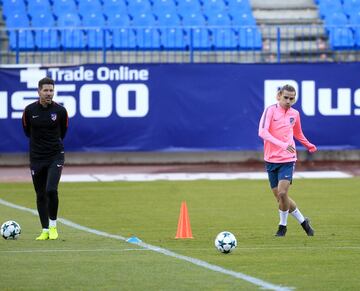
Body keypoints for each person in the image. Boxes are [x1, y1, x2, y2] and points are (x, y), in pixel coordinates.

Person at [258, 84, 316, 237]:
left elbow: (298, 133)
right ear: (279, 96)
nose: (288, 101)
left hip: (288, 159)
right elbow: (262, 132)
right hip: (271, 159)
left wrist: (308, 145)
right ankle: (304, 222)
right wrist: (282, 144)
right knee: (280, 198)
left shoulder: (295, 114)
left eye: (292, 98)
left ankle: (282, 226)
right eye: (286, 97)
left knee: (283, 193)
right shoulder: (270, 110)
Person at [22, 77, 68, 240]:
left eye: (51, 90)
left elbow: (63, 132)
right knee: (40, 194)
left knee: (51, 190)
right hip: (36, 157)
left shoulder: (60, 111)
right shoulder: (29, 111)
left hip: (55, 155)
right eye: (46, 90)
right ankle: (45, 230)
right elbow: (27, 131)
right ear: (39, 91)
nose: (49, 93)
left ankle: (54, 226)